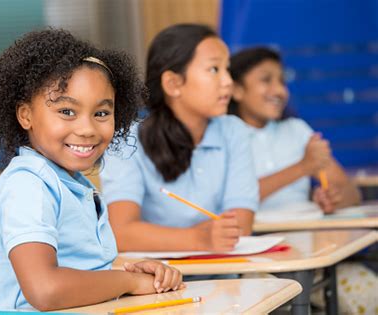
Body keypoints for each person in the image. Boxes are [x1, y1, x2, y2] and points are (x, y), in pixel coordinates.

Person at [0, 28, 183, 312]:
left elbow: (80, 268)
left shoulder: (74, 185)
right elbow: (46, 290)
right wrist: (129, 283)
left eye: (101, 113)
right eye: (66, 112)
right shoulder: (29, 185)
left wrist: (127, 272)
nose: (87, 129)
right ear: (25, 115)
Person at [100, 23, 258, 253]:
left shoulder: (234, 131)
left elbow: (240, 226)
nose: (228, 81)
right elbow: (122, 233)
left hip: (226, 273)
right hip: (156, 283)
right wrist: (200, 239)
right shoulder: (127, 140)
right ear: (173, 84)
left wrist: (155, 235)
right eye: (214, 69)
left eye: (227, 69)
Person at [228, 47, 361, 213]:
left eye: (282, 81)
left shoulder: (296, 130)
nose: (280, 91)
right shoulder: (226, 135)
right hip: (254, 236)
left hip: (304, 232)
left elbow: (352, 194)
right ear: (237, 90)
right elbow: (230, 200)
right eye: (266, 80)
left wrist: (334, 200)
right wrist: (303, 167)